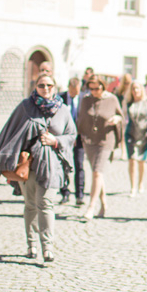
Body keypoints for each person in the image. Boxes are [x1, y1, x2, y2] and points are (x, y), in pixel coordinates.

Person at [0, 73, 76, 262]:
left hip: (52, 167)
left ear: (55, 87)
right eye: (42, 86)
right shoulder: (26, 107)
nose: (46, 89)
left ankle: (47, 247)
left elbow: (72, 136)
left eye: (50, 85)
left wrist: (55, 140)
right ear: (36, 87)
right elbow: (11, 132)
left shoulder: (63, 110)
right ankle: (31, 244)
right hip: (29, 166)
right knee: (31, 205)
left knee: (46, 204)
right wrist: (7, 161)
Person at [76, 74, 123, 219]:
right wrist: (81, 135)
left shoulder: (112, 99)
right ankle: (103, 203)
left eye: (97, 88)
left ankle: (91, 207)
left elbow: (121, 115)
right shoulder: (86, 100)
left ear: (103, 86)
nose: (94, 91)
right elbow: (81, 118)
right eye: (91, 89)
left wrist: (116, 119)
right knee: (98, 173)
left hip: (106, 140)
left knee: (97, 172)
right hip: (90, 141)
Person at [124, 82, 147, 196]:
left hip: (144, 134)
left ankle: (140, 183)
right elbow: (123, 116)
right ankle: (132, 187)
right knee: (132, 160)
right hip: (131, 134)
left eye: (138, 89)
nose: (136, 91)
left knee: (141, 161)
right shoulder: (128, 103)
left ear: (142, 90)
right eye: (133, 89)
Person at [58, 77, 86, 206]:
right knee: (63, 165)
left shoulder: (83, 99)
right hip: (64, 138)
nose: (75, 93)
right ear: (69, 88)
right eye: (73, 91)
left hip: (79, 138)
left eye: (77, 90)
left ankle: (80, 194)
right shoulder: (60, 98)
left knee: (79, 165)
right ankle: (65, 192)